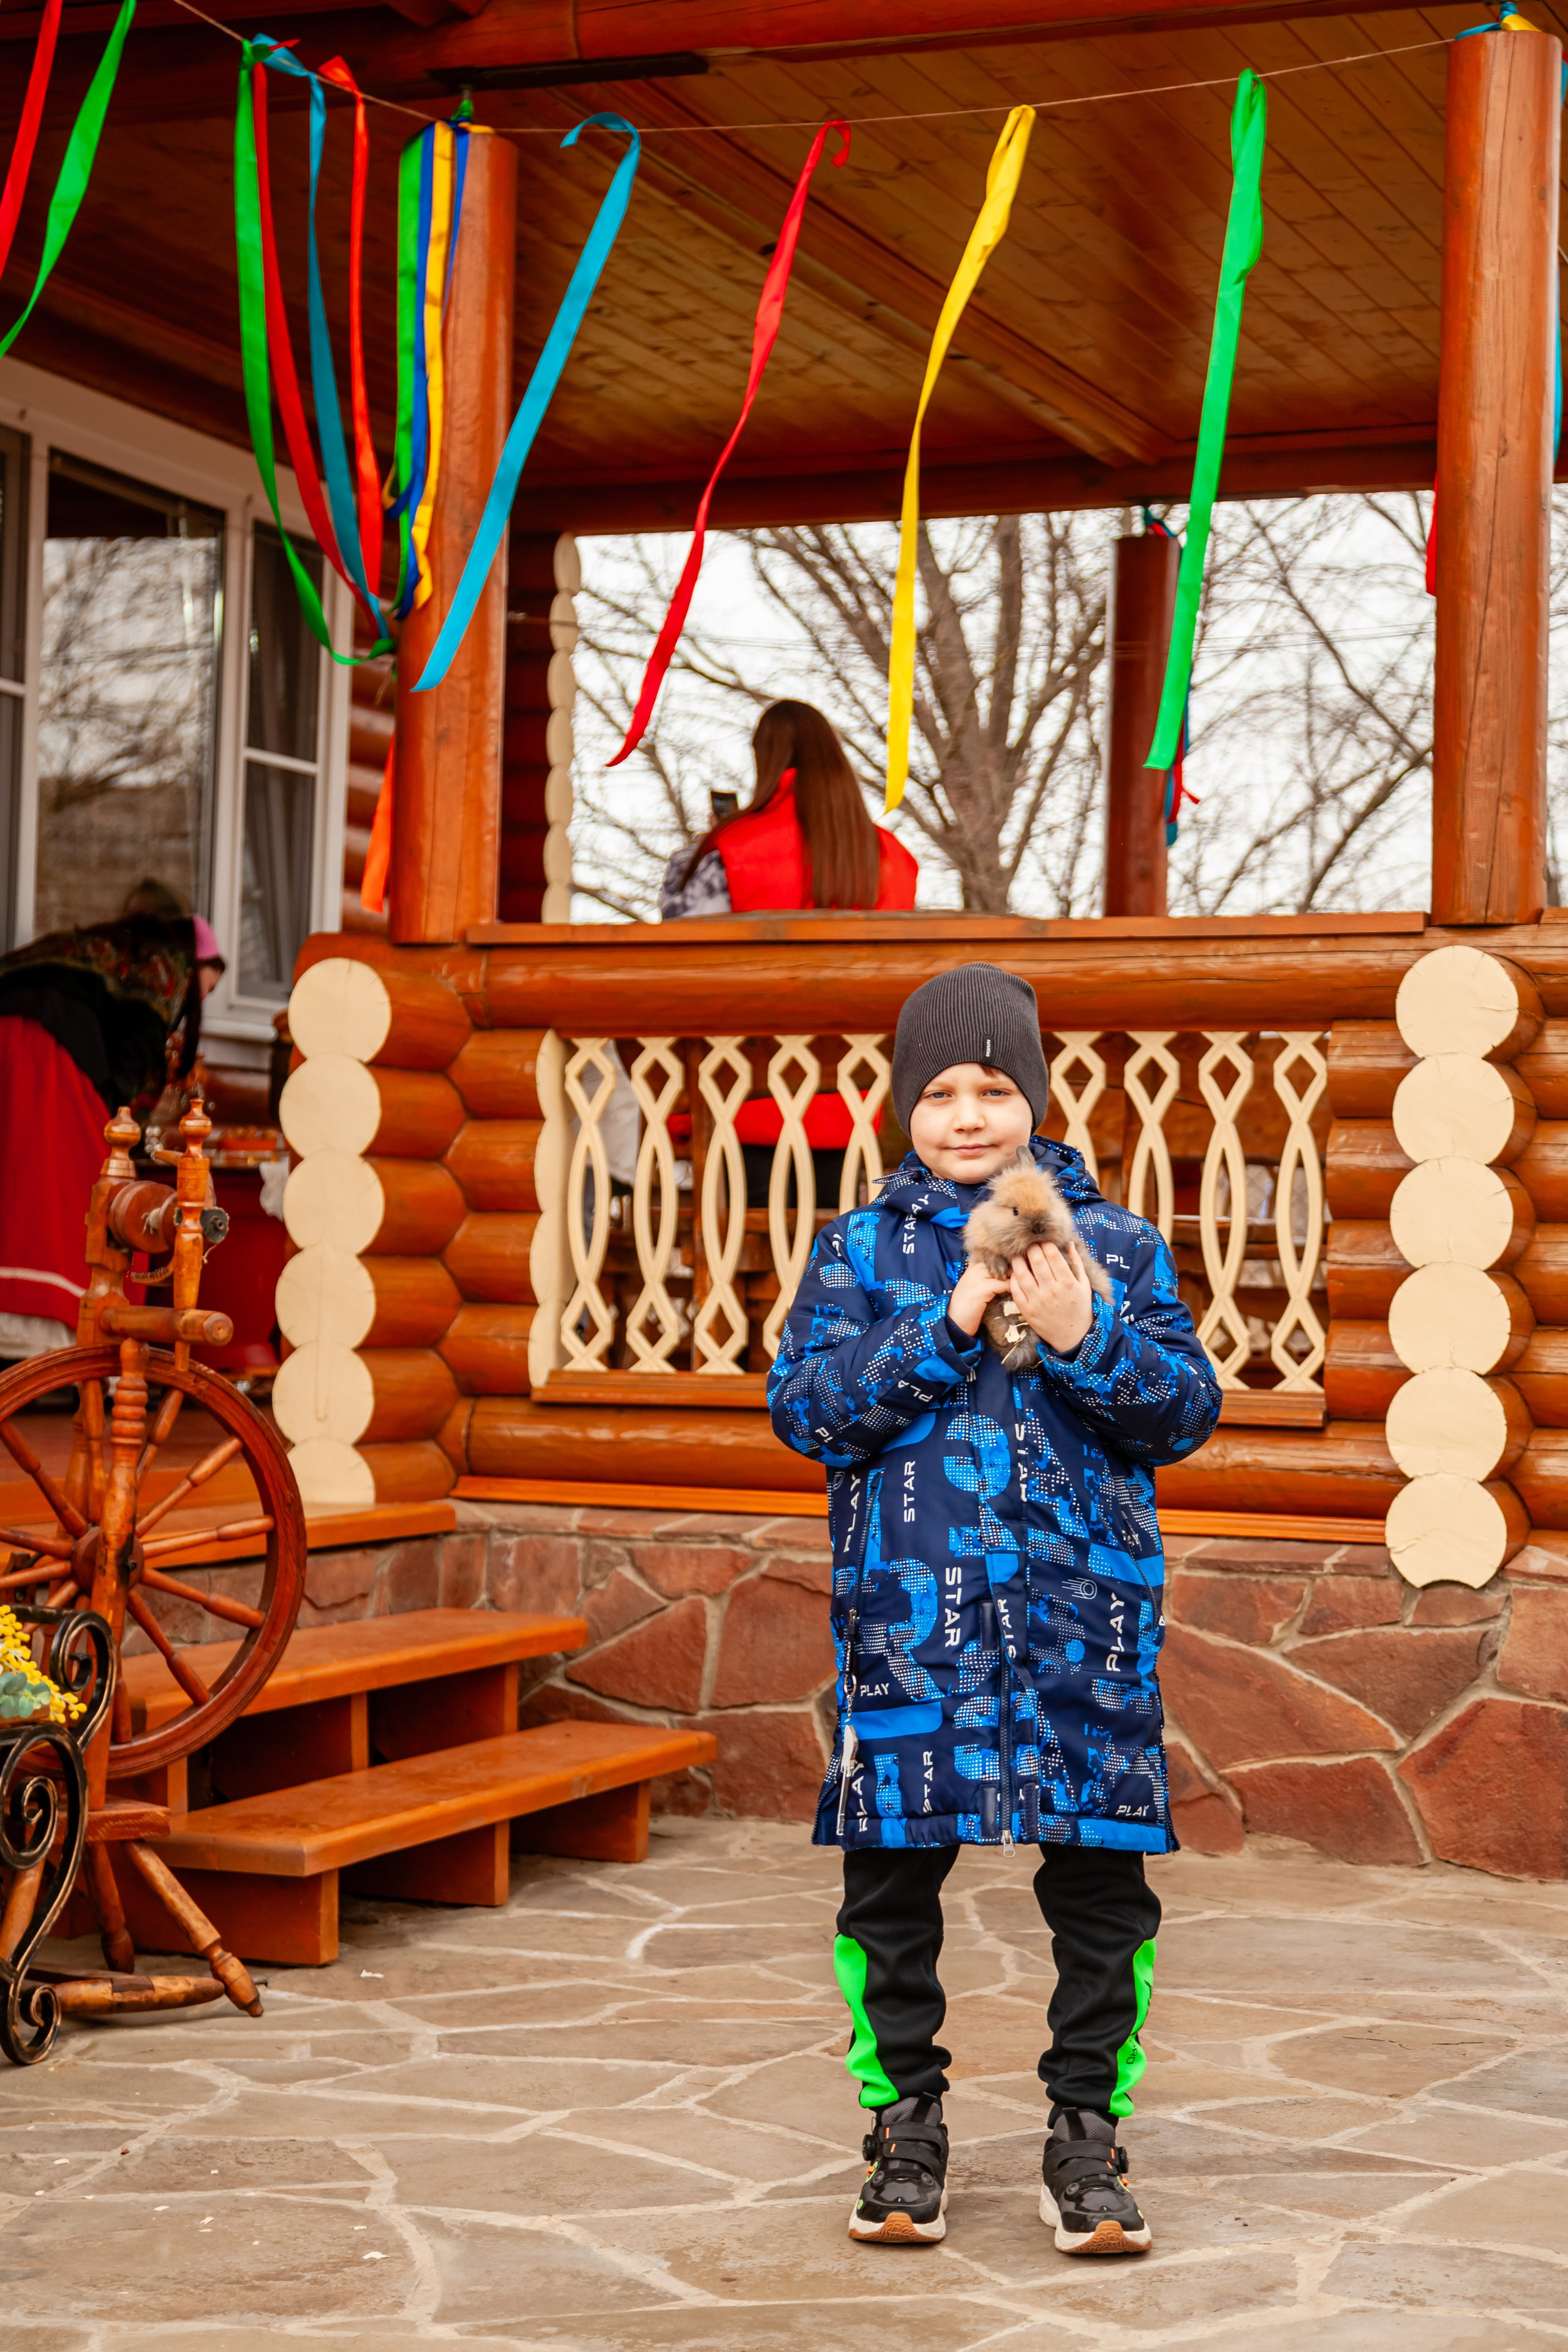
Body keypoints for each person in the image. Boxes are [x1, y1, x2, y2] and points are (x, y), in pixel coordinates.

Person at [767, 963, 1221, 2257]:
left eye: (993, 1088)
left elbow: (1179, 1416)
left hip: (1082, 1631)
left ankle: (1085, 2134)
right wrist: (943, 1322)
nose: (966, 1116)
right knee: (887, 1895)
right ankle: (902, 2128)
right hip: (911, 1634)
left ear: (1032, 1098)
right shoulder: (855, 1252)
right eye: (940, 1091)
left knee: (1099, 1897)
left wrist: (1087, 1336)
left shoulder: (1117, 1244)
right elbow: (807, 1414)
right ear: (903, 1104)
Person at [661, 701, 918, 1203]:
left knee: (742, 1258)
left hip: (739, 1102)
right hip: (855, 1103)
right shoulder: (894, 859)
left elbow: (681, 975)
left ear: (766, 761)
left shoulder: (722, 853)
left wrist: (678, 1117)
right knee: (840, 1262)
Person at [0, 911, 223, 1360]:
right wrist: (123, 1124)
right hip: (42, 1046)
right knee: (90, 1187)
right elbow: (138, 1045)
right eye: (211, 986)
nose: (203, 997)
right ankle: (56, 1334)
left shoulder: (109, 948)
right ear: (201, 965)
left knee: (14, 1177)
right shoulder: (169, 965)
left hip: (10, 1028)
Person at [659, 699, 917, 919]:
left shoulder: (733, 849)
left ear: (766, 761)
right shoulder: (896, 855)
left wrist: (699, 853)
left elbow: (681, 928)